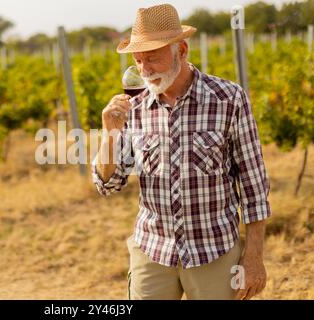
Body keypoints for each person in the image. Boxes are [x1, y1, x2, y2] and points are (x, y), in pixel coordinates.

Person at [91, 3, 272, 300]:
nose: (145, 70)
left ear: (182, 50)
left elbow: (253, 186)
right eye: (138, 61)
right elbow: (107, 184)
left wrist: (253, 258)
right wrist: (109, 135)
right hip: (153, 250)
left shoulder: (228, 99)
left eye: (153, 58)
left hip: (214, 250)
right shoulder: (131, 109)